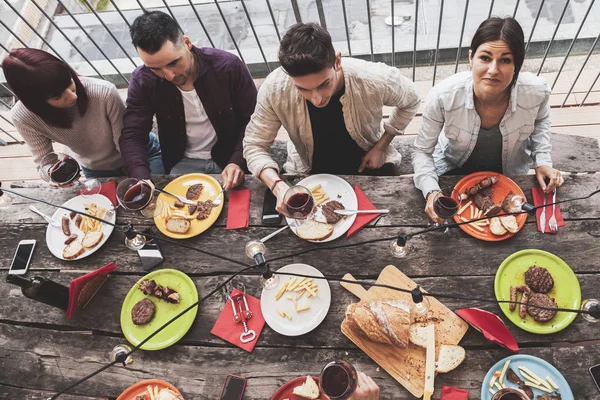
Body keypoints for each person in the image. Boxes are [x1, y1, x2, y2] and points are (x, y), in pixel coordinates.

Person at [243, 23, 420, 213]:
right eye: (302, 89)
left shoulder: (374, 78)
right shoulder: (274, 89)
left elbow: (412, 100)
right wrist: (278, 186)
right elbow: (254, 146)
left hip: (369, 162)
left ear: (337, 61)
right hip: (309, 169)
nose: (316, 98)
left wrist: (381, 146)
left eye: (323, 84)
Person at [412, 17, 564, 223]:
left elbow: (542, 118)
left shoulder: (536, 92)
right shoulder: (442, 96)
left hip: (509, 174)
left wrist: (542, 160)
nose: (493, 70)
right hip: (452, 168)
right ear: (471, 58)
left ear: (517, 65)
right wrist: (431, 191)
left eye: (505, 60)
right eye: (485, 58)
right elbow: (422, 150)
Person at [121, 10, 257, 190]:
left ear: (187, 43)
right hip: (181, 162)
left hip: (230, 156)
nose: (169, 75)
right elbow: (132, 134)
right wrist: (141, 177)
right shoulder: (143, 80)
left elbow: (253, 119)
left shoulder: (228, 67)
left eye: (173, 63)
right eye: (155, 68)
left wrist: (237, 160)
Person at [2, 48, 164, 179]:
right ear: (36, 102)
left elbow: (126, 144)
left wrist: (138, 175)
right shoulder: (23, 117)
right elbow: (44, 163)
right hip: (95, 169)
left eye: (70, 82)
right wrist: (54, 174)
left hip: (143, 154)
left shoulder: (103, 92)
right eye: (58, 96)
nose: (73, 96)